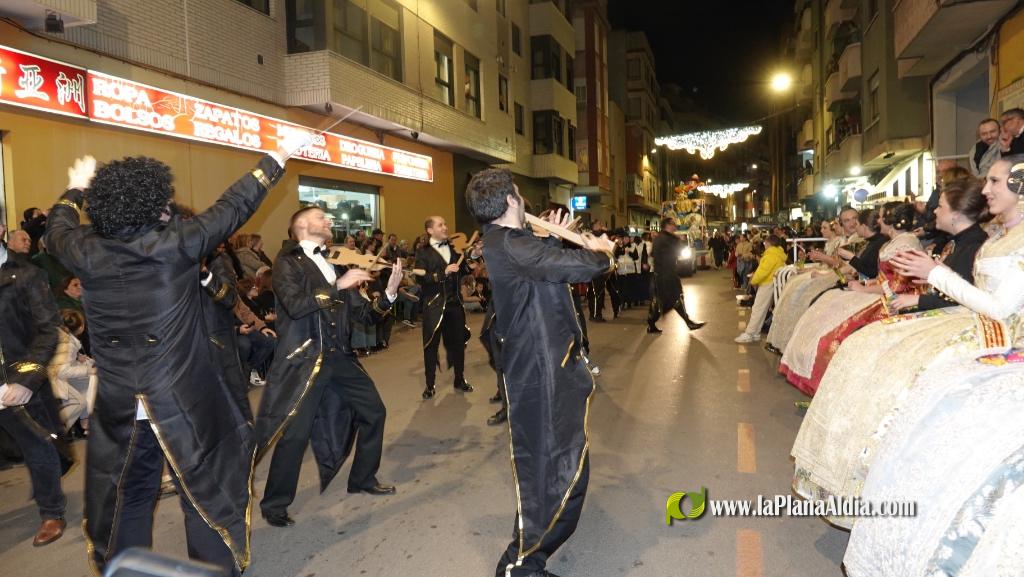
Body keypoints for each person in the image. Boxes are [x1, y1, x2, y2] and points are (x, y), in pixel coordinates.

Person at [45, 134, 302, 574]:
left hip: (118, 400)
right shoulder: (177, 244)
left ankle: (126, 568)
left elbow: (57, 227)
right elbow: (234, 204)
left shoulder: (84, 250)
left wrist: (75, 186)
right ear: (155, 204)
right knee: (202, 486)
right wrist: (277, 155)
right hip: (180, 396)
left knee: (129, 491)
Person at [788, 156, 1024, 531]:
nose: (986, 189)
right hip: (971, 319)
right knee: (863, 347)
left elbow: (997, 306)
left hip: (997, 337)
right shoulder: (1002, 236)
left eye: (995, 181)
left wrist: (934, 275)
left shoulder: (1002, 238)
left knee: (890, 369)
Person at [465, 167, 615, 577]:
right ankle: (520, 563)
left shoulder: (509, 240)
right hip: (541, 373)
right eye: (519, 194)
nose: (525, 201)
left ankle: (527, 558)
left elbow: (536, 268)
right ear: (512, 201)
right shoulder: (512, 245)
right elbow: (588, 268)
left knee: (563, 468)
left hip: (545, 366)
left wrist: (548, 236)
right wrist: (598, 249)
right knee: (553, 470)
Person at [256, 206, 403, 530]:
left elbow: (364, 315)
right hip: (305, 360)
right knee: (295, 435)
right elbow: (295, 307)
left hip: (338, 357)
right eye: (322, 217)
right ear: (302, 225)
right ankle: (274, 503)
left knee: (374, 412)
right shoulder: (286, 262)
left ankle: (363, 478)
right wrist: (338, 285)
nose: (329, 222)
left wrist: (390, 294)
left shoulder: (333, 263)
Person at [0, 236, 70, 547]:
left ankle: (51, 511)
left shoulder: (26, 274)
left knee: (37, 446)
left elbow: (47, 329)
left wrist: (25, 381)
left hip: (17, 381)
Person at [415, 216, 474, 400]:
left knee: (458, 343)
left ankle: (459, 378)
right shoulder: (422, 253)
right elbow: (420, 278)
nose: (445, 227)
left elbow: (463, 269)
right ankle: (430, 385)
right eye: (441, 225)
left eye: (445, 224)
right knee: (430, 346)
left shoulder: (454, 248)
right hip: (433, 305)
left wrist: (474, 256)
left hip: (455, 304)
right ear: (430, 230)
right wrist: (443, 273)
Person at [647, 218, 705, 334]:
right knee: (672, 299)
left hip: (666, 273)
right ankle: (688, 322)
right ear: (668, 225)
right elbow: (675, 250)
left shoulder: (661, 238)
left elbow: (655, 253)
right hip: (665, 275)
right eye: (673, 224)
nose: (675, 226)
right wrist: (679, 240)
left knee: (667, 300)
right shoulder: (665, 238)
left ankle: (651, 323)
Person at [734, 235, 787, 343]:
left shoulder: (770, 255)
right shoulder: (778, 254)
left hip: (767, 283)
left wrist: (753, 280)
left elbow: (763, 271)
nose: (764, 245)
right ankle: (755, 333)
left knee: (758, 309)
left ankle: (750, 333)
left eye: (765, 243)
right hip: (773, 283)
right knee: (762, 309)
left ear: (769, 243)